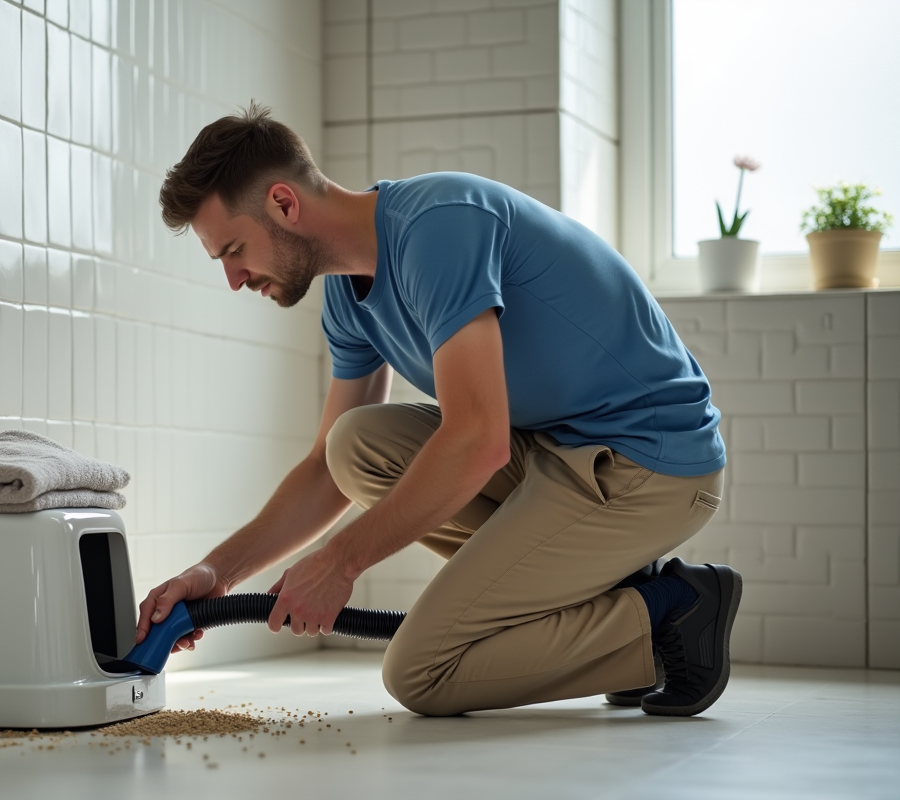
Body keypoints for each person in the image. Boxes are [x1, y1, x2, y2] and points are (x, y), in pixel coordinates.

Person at [135, 102, 741, 718]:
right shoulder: (348, 297)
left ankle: (671, 609)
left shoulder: (438, 229)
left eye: (234, 250)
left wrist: (340, 562)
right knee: (354, 445)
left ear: (285, 205)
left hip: (650, 464)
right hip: (561, 457)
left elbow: (479, 441)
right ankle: (613, 599)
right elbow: (325, 469)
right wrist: (216, 572)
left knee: (421, 671)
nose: (235, 279)